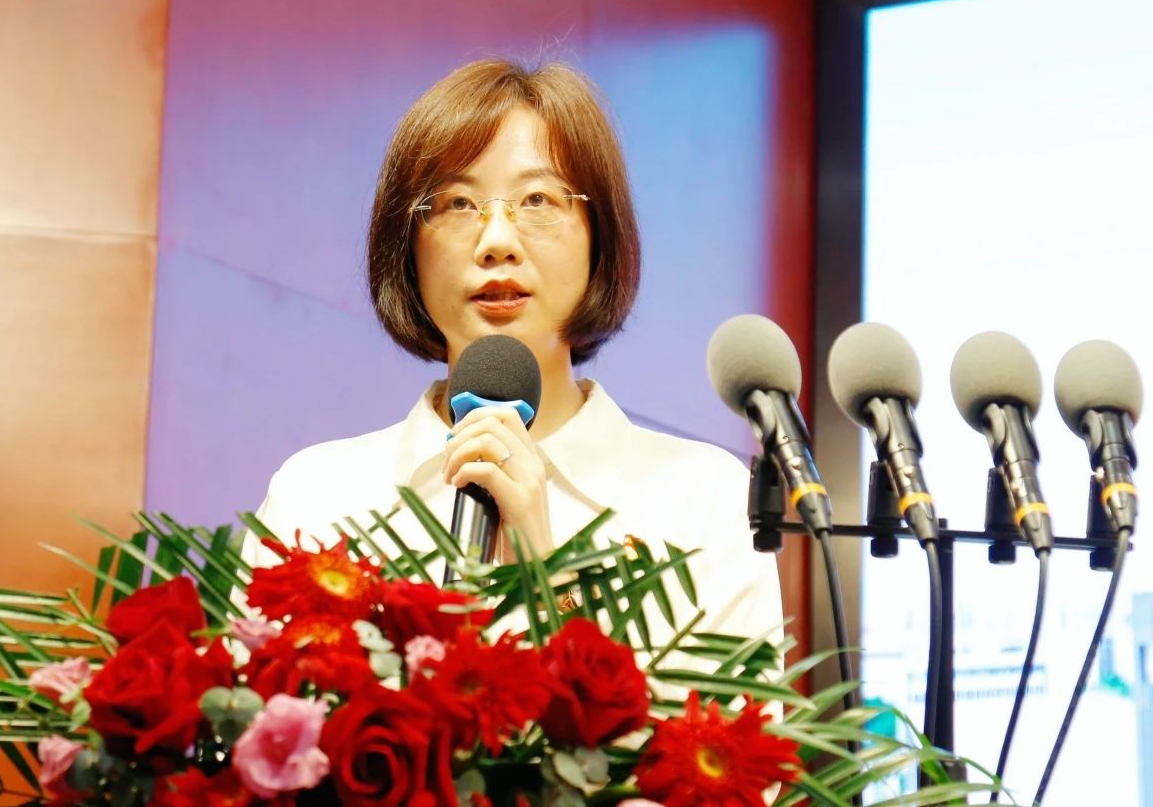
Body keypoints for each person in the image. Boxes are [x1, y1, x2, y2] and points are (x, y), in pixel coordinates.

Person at [246, 58, 782, 650]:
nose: (497, 241)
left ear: (599, 235)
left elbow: (721, 710)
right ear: (407, 248)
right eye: (457, 203)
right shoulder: (319, 497)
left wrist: (545, 574)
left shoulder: (702, 501)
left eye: (537, 200)